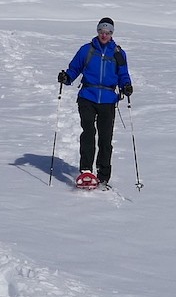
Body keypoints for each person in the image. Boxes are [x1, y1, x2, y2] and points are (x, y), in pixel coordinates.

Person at [56, 17, 132, 189]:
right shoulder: (86, 50)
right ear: (97, 31)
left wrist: (126, 86)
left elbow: (123, 74)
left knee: (106, 138)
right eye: (101, 32)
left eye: (108, 32)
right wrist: (66, 78)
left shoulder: (118, 53)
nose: (104, 35)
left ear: (112, 34)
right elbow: (74, 69)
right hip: (87, 97)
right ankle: (86, 171)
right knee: (88, 132)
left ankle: (103, 176)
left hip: (108, 99)